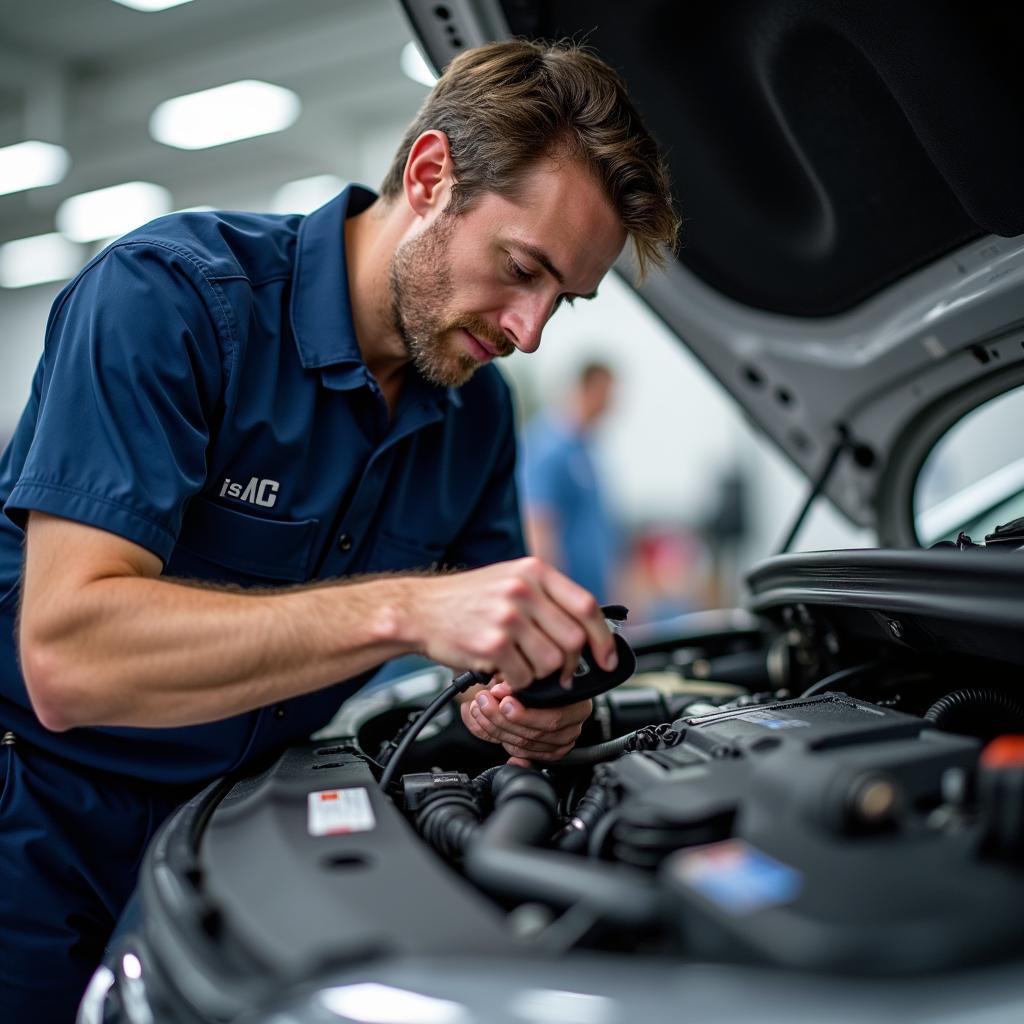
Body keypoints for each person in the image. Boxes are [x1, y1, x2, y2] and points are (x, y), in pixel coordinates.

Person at [0, 39, 677, 1019]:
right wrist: (406, 609)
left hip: (235, 829)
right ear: (430, 174)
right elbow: (69, 661)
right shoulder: (171, 301)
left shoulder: (474, 410)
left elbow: (480, 655)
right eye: (520, 269)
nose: (528, 332)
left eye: (560, 302)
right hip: (42, 827)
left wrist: (519, 705)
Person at [519, 361, 620, 601]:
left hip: (591, 601)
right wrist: (553, 601)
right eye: (607, 394)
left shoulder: (584, 451)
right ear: (590, 389)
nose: (611, 405)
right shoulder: (548, 446)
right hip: (567, 607)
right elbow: (539, 525)